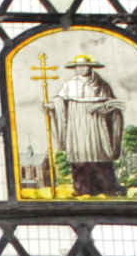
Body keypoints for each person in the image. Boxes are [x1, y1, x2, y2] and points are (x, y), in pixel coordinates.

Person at [51, 53, 125, 197]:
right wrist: (52, 105)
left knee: (99, 154)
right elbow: (59, 100)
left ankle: (107, 187)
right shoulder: (69, 84)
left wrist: (100, 106)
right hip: (76, 122)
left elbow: (113, 106)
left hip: (96, 123)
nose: (81, 69)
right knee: (79, 156)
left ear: (91, 67)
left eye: (84, 66)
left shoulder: (102, 85)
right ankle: (82, 189)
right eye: (78, 66)